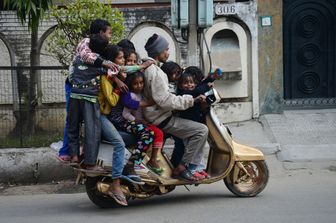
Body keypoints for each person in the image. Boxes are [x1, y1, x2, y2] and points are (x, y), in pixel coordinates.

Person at [142, 33, 208, 182]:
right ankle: (182, 168)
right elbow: (164, 100)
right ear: (159, 51)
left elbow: (160, 95)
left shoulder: (151, 69)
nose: (168, 52)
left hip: (159, 116)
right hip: (162, 119)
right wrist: (191, 100)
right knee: (201, 130)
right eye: (166, 49)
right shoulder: (155, 71)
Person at [57, 19, 125, 162]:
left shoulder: (86, 59)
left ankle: (75, 155)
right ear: (101, 33)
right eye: (109, 33)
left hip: (76, 90)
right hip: (84, 94)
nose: (110, 36)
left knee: (74, 123)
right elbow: (88, 57)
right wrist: (108, 65)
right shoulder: (87, 44)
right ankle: (83, 159)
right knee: (90, 128)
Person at [100, 44, 154, 180]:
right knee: (148, 134)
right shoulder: (114, 76)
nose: (124, 61)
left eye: (125, 58)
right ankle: (131, 164)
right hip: (120, 119)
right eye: (121, 58)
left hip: (123, 118)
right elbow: (127, 104)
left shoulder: (121, 74)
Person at [67, 34, 109, 172]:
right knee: (92, 130)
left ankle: (73, 155)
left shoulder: (79, 58)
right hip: (89, 99)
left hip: (74, 95)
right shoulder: (100, 62)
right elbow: (116, 71)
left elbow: (71, 76)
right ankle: (90, 163)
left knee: (73, 125)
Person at [122, 72, 164, 175]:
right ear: (130, 84)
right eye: (135, 84)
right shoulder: (131, 96)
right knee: (148, 134)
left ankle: (153, 159)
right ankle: (132, 163)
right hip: (129, 123)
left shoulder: (142, 95)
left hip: (141, 122)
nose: (139, 86)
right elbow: (125, 114)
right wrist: (136, 120)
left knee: (159, 133)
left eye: (141, 83)